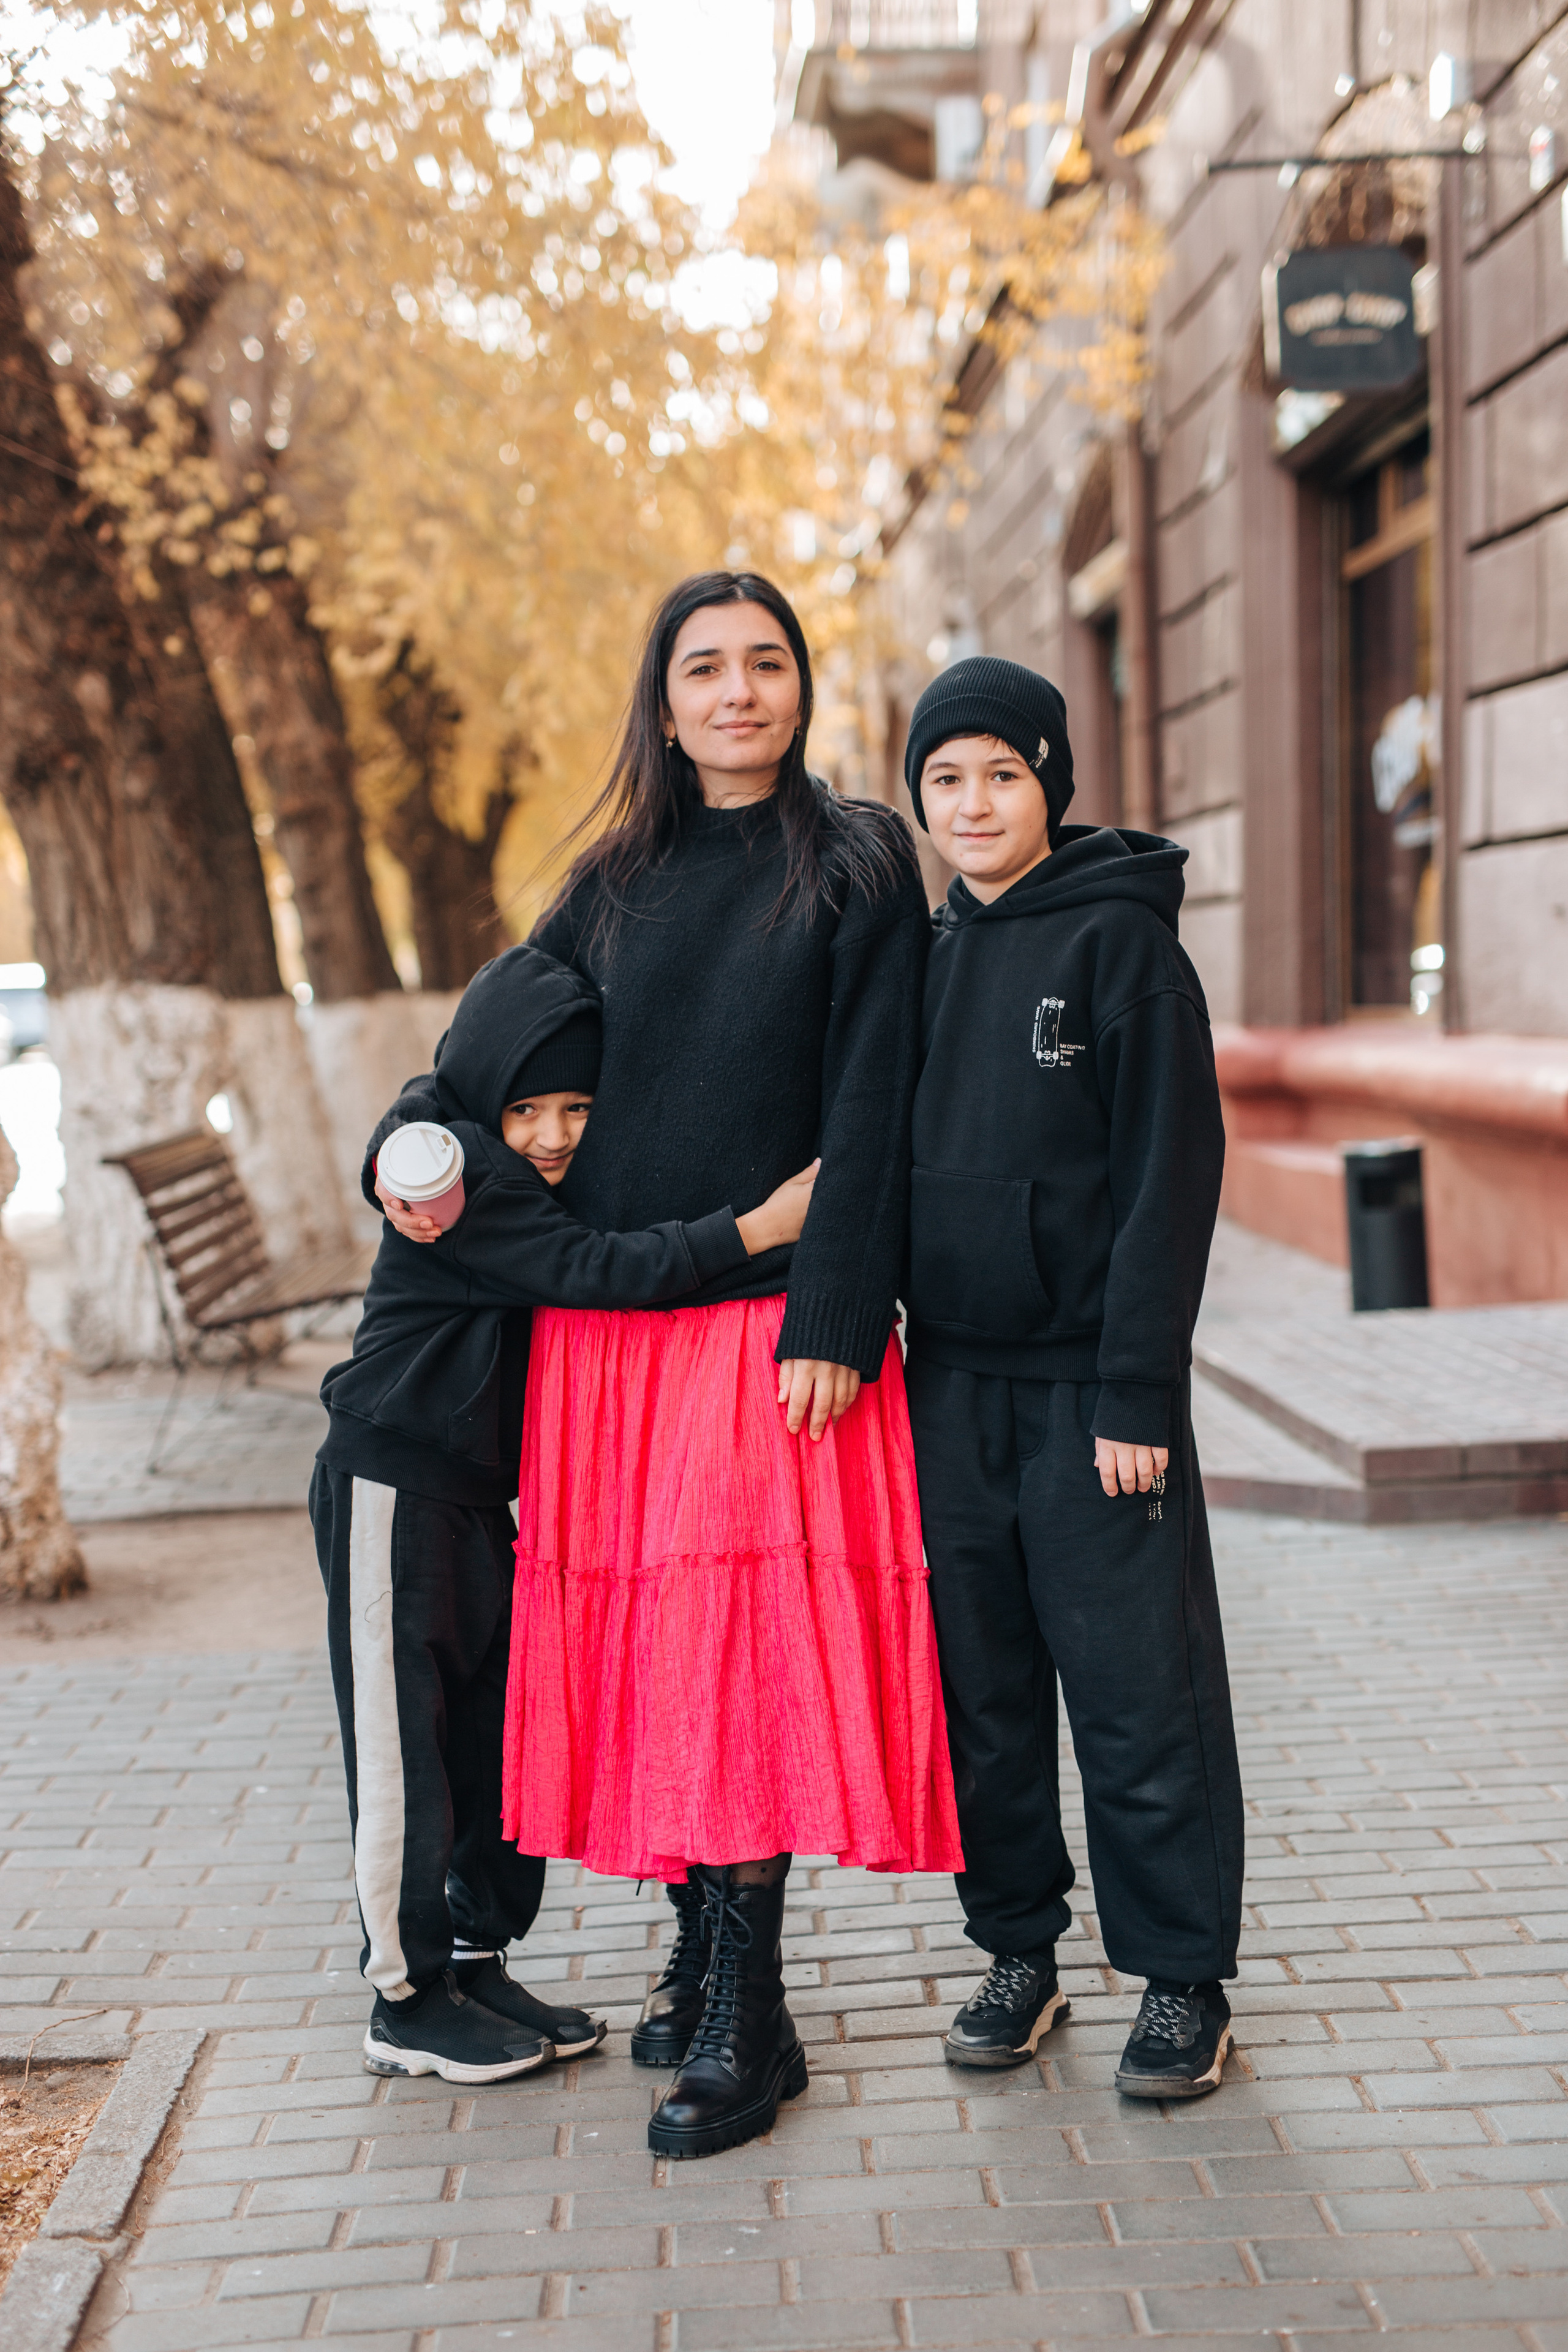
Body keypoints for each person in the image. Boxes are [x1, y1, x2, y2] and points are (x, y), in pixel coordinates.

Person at [370, 569, 962, 2158]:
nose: (738, 692)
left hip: (766, 1328)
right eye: (705, 667)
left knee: (742, 1655)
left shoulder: (851, 860)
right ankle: (701, 1948)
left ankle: (748, 2015)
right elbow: (480, 1060)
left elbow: (876, 1100)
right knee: (660, 1657)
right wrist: (405, 1148)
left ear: (799, 686)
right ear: (667, 695)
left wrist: (842, 1307)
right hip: (610, 1338)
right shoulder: (612, 878)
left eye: (766, 663)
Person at [312, 941, 818, 2087]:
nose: (552, 1133)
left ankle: (474, 1961)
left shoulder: (491, 1160)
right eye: (529, 1105)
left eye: (579, 1106)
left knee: (487, 1739)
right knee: (408, 1750)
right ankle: (402, 1996)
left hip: (478, 1497)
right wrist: (764, 1227)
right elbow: (599, 1270)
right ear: (489, 1098)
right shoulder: (473, 1185)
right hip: (393, 1482)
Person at [900, 654, 1245, 2100]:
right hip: (949, 1394)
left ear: (1048, 782)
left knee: (1133, 1695)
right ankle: (1018, 1950)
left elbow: (1170, 1181)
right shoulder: (920, 956)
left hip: (1091, 1405)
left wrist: (1134, 1397)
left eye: (1000, 772)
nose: (972, 803)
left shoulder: (1122, 950)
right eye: (943, 779)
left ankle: (1179, 1980)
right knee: (980, 1695)